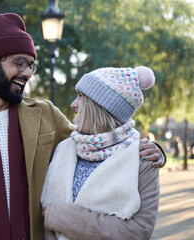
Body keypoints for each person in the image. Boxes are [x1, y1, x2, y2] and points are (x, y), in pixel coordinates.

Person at [0, 13, 165, 240]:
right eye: (19, 63)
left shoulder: (45, 115)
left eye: (30, 65)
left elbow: (96, 143)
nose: (27, 73)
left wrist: (151, 150)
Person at [41, 66, 160, 240]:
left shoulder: (142, 158)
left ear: (100, 106)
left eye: (81, 96)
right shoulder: (64, 147)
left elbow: (138, 231)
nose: (73, 104)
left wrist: (61, 217)